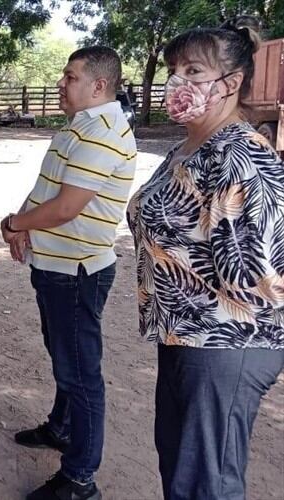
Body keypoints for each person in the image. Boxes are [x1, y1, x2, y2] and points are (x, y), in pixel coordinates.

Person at [127, 18, 284, 500]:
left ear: (231, 83)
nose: (178, 82)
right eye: (175, 70)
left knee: (207, 482)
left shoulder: (239, 155)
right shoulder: (187, 146)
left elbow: (257, 277)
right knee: (183, 472)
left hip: (225, 344)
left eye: (194, 71)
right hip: (186, 336)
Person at [1, 47, 136, 500]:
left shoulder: (101, 132)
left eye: (70, 76)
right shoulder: (79, 127)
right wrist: (21, 220)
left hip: (76, 270)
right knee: (66, 359)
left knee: (80, 373)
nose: (61, 83)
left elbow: (66, 207)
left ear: (99, 86)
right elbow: (46, 191)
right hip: (57, 265)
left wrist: (14, 225)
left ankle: (80, 478)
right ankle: (61, 428)